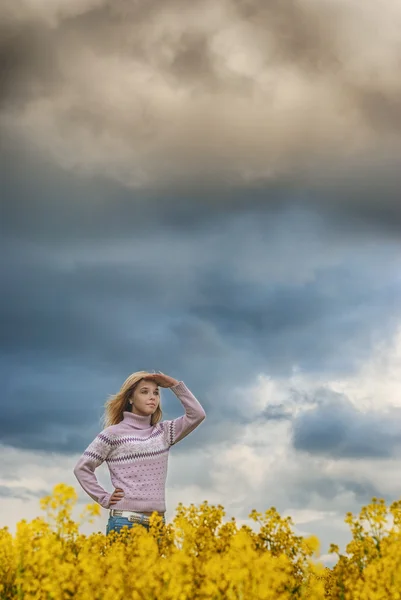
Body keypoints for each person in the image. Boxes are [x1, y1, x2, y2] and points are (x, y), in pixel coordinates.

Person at [73, 371, 206, 535]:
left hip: (158, 525)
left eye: (156, 393)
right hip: (125, 522)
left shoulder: (163, 433)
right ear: (130, 398)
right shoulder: (113, 434)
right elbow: (82, 468)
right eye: (144, 392)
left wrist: (173, 384)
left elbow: (197, 414)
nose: (152, 397)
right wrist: (103, 497)